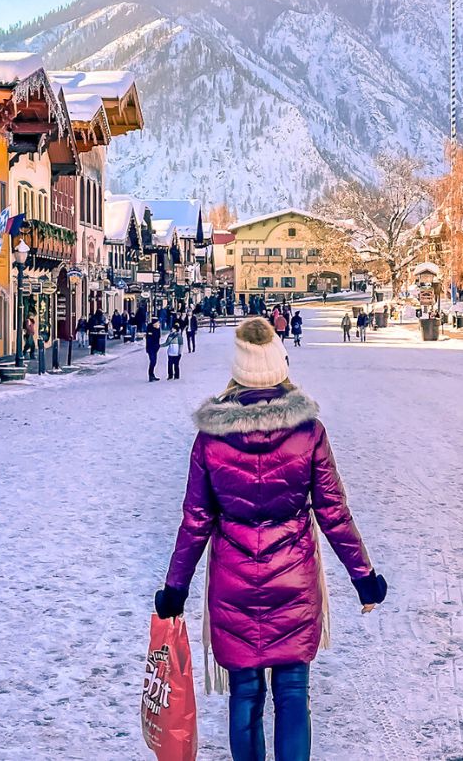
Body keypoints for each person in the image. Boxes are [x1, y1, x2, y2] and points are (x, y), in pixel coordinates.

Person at [155, 318, 386, 761]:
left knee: (245, 693)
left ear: (239, 371)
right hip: (294, 582)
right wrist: (364, 577)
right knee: (293, 692)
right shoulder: (308, 432)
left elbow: (196, 520)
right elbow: (333, 511)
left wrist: (175, 590)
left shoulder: (211, 438)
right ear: (279, 364)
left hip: (234, 583)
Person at [145, 317, 163, 382]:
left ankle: (152, 375)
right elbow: (149, 339)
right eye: (158, 322)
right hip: (150, 348)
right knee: (152, 361)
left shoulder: (157, 329)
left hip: (155, 348)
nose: (159, 324)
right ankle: (150, 375)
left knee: (154, 362)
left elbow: (159, 336)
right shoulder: (150, 329)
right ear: (154, 323)